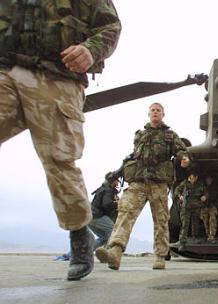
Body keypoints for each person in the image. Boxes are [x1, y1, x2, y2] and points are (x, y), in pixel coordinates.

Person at [0, 1, 121, 280]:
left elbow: (110, 26)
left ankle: (80, 237)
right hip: (4, 69)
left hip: (57, 74)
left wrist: (91, 49)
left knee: (58, 159)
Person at [95, 103, 190, 270]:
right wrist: (117, 173)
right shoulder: (140, 135)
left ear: (163, 114)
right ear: (148, 113)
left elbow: (181, 150)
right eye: (152, 110)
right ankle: (114, 253)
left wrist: (184, 158)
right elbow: (134, 156)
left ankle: (160, 256)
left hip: (158, 184)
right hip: (138, 182)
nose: (155, 112)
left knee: (161, 221)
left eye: (158, 110)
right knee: (125, 214)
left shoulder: (170, 135)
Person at [174, 170, 207, 251]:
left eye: (195, 178)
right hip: (186, 207)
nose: (194, 179)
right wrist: (180, 196)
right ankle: (182, 243)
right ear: (190, 177)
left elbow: (206, 192)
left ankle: (194, 238)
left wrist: (205, 196)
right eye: (192, 177)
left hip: (196, 206)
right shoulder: (184, 183)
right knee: (185, 224)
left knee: (195, 223)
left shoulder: (200, 184)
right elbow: (176, 190)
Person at [89, 172, 121, 251]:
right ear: (112, 180)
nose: (118, 182)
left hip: (89, 217)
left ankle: (83, 253)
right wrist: (117, 204)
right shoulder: (108, 190)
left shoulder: (104, 188)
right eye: (117, 180)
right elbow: (107, 204)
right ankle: (107, 253)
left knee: (104, 237)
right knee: (113, 230)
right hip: (96, 216)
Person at [201, 175, 218, 243]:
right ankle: (208, 235)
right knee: (205, 221)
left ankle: (212, 236)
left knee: (212, 220)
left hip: (213, 206)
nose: (208, 180)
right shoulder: (203, 187)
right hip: (204, 206)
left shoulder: (216, 187)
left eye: (210, 179)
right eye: (207, 179)